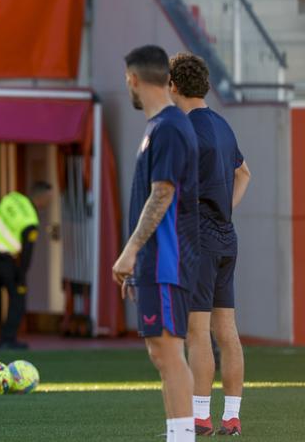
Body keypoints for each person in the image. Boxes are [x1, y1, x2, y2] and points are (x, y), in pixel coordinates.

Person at [112, 45, 199, 442]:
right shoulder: (159, 127)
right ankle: (177, 434)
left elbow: (162, 193)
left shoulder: (168, 127)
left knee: (168, 352)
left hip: (167, 260)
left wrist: (130, 252)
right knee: (161, 354)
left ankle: (182, 437)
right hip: (156, 262)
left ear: (133, 78)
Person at [169, 52, 250, 436]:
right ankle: (231, 416)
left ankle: (199, 416)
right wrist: (224, 211)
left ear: (173, 85)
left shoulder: (182, 129)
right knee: (227, 330)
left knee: (196, 332)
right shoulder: (222, 125)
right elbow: (244, 173)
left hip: (198, 236)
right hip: (225, 235)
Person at [0, 182, 52, 350]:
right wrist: (21, 276)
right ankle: (8, 339)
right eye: (49, 199)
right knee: (18, 296)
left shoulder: (12, 197)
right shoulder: (30, 219)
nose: (49, 202)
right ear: (41, 198)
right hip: (4, 257)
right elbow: (27, 251)